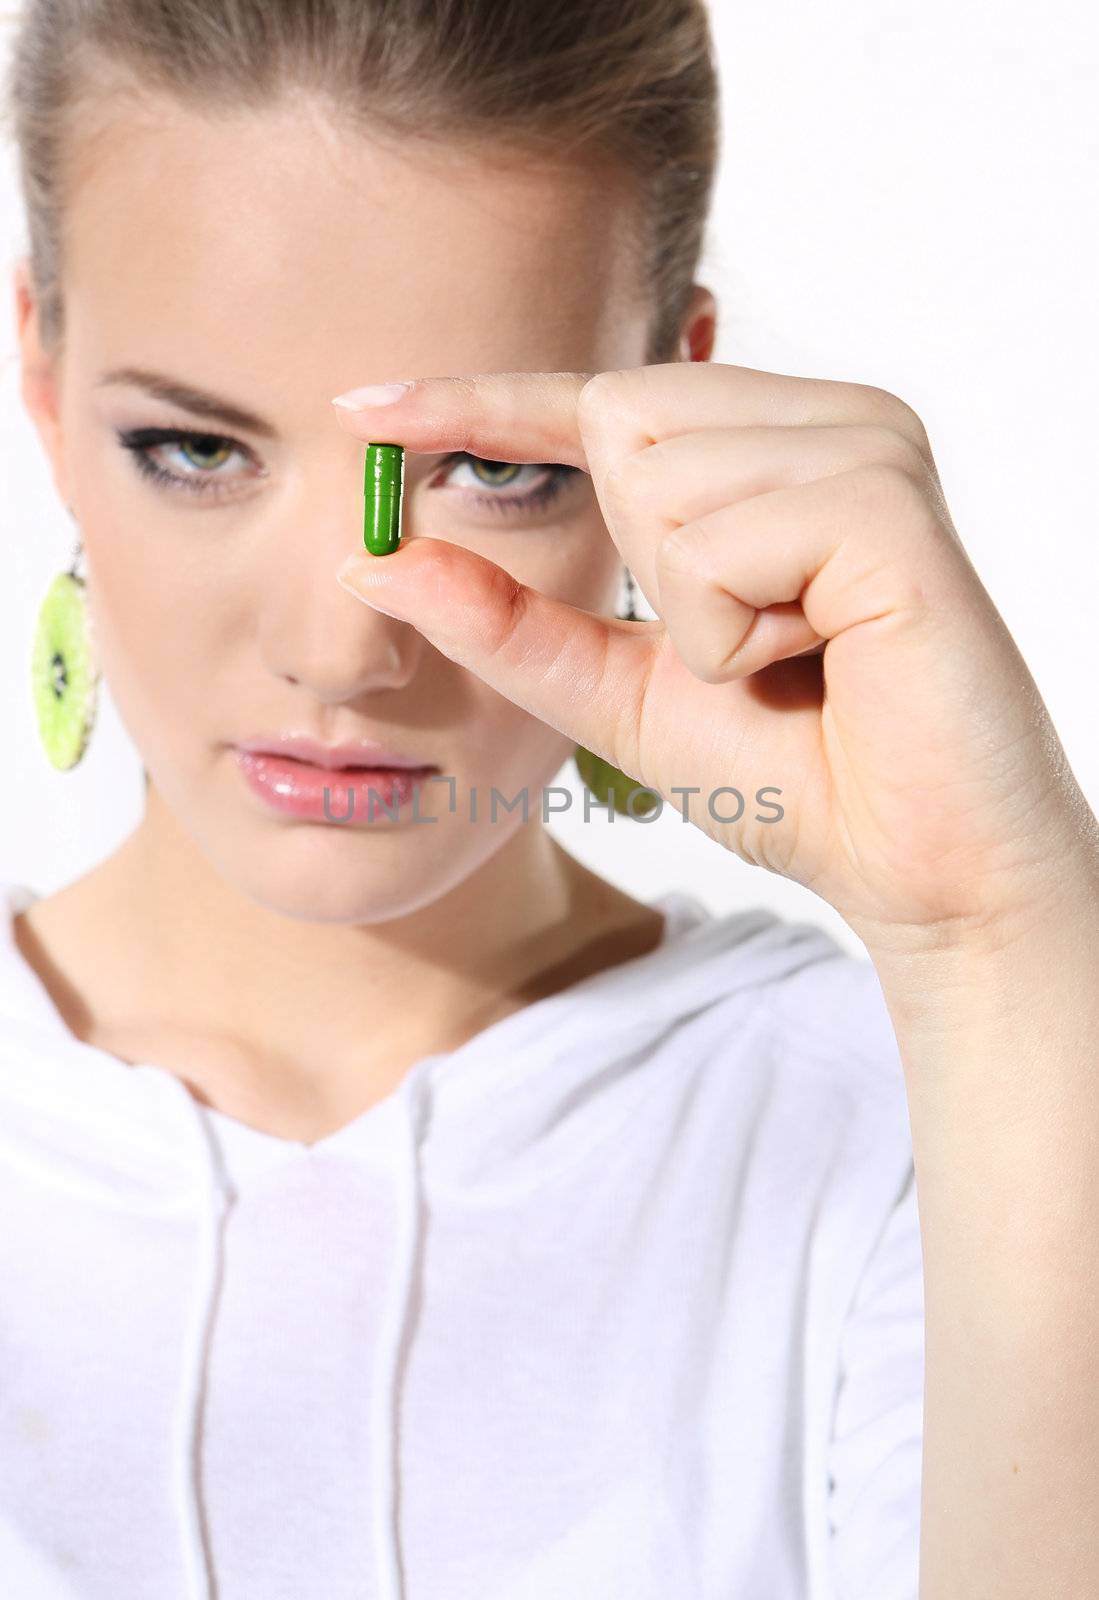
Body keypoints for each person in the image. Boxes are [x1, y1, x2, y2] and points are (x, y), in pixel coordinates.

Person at [2, 1, 1096, 1597]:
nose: (342, 650)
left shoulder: (925, 1133)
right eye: (191, 446)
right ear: (41, 374)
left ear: (677, 409)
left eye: (492, 470)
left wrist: (998, 936)